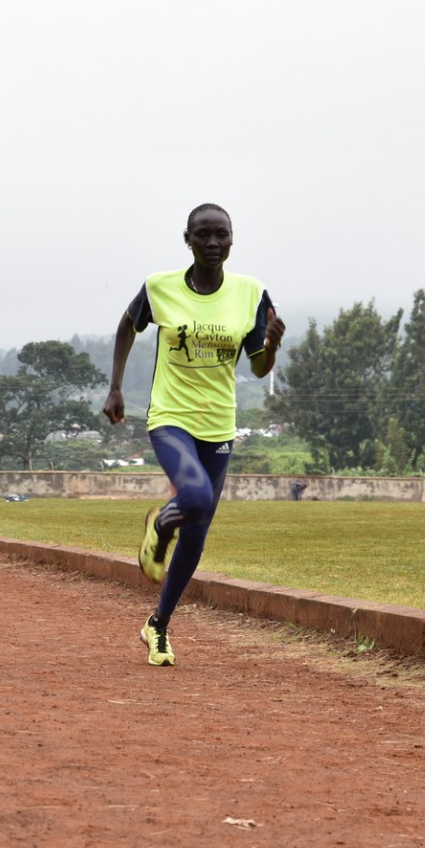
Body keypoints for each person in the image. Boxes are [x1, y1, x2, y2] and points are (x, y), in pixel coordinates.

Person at [101, 203, 285, 667]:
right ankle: (160, 524)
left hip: (218, 424)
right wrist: (116, 387)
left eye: (221, 235)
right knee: (196, 498)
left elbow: (259, 369)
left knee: (198, 535)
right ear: (187, 238)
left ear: (231, 239)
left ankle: (157, 626)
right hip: (170, 418)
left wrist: (273, 344)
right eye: (202, 235)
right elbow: (128, 325)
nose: (212, 243)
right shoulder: (159, 287)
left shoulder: (251, 293)